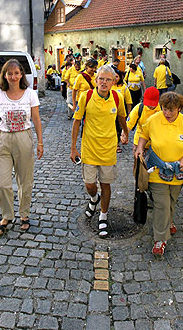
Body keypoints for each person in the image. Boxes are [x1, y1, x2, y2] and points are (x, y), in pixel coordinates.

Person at [0, 59, 43, 237]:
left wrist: (40, 142)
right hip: (4, 140)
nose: (13, 77)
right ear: (5, 76)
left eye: (16, 73)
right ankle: (7, 216)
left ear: (21, 74)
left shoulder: (30, 94)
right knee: (2, 184)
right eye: (10, 73)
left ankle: (24, 214)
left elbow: (37, 119)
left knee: (25, 181)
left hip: (24, 138)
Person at [135, 92, 183, 256]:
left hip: (178, 172)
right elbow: (144, 134)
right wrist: (140, 147)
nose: (167, 113)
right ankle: (160, 240)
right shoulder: (154, 120)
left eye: (171, 110)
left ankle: (168, 221)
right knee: (161, 203)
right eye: (164, 109)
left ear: (179, 108)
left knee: (171, 201)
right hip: (157, 169)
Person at [70, 65, 128, 237]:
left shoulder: (117, 97)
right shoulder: (85, 97)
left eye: (108, 79)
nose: (104, 82)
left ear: (113, 82)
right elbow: (76, 122)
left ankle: (103, 215)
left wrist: (125, 132)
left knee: (106, 184)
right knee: (90, 184)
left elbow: (121, 117)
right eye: (101, 79)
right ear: (96, 80)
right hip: (89, 148)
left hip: (109, 149)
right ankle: (93, 199)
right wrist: (73, 148)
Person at [122, 86, 160, 154]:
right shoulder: (139, 108)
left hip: (156, 143)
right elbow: (129, 124)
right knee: (139, 163)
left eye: (152, 103)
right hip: (139, 141)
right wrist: (124, 135)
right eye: (148, 103)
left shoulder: (162, 110)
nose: (150, 106)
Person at [111, 68, 132, 153]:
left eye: (117, 77)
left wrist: (129, 112)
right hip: (109, 111)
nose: (115, 78)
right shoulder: (109, 86)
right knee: (111, 128)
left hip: (120, 112)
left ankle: (117, 143)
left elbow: (128, 101)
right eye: (113, 76)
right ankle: (113, 144)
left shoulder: (124, 87)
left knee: (119, 128)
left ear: (120, 77)